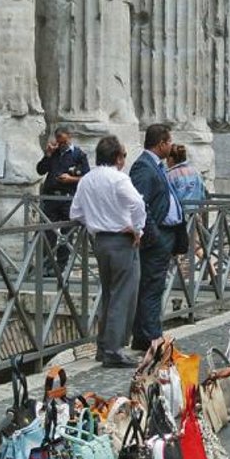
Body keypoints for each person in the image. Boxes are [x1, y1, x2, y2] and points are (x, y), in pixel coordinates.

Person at [70, 135, 145, 368]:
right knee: (123, 295)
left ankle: (103, 347)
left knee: (109, 294)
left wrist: (94, 222)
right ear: (116, 157)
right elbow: (138, 204)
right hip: (121, 240)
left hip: (100, 241)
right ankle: (113, 349)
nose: (124, 159)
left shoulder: (86, 180)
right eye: (123, 155)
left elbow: (76, 213)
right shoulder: (119, 179)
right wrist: (137, 229)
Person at [129, 124, 184, 352]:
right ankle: (152, 338)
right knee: (152, 287)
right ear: (161, 143)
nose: (171, 146)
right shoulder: (143, 166)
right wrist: (154, 236)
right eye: (169, 141)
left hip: (164, 235)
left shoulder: (156, 165)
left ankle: (144, 337)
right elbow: (140, 204)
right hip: (156, 237)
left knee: (153, 286)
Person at [36, 127, 89, 277]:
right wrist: (47, 155)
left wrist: (70, 179)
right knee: (48, 233)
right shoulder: (54, 153)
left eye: (64, 141)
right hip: (51, 198)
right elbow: (40, 170)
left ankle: (61, 266)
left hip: (68, 198)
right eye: (59, 142)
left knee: (67, 233)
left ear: (70, 137)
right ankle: (46, 264)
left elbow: (86, 176)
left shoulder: (78, 155)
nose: (62, 145)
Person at [165, 144, 206, 210]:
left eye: (167, 158)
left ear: (171, 159)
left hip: (180, 215)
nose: (166, 162)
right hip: (194, 214)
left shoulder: (170, 175)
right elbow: (202, 193)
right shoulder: (195, 172)